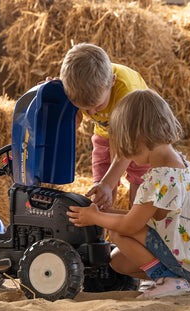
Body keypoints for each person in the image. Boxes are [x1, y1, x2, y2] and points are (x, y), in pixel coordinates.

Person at [67, 89, 190, 299]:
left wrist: (95, 217)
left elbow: (130, 226)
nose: (126, 157)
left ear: (137, 140)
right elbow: (149, 218)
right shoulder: (180, 165)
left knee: (119, 234)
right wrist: (108, 212)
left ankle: (169, 280)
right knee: (118, 261)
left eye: (125, 149)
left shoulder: (158, 179)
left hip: (187, 261)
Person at [60, 43, 149, 209]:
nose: (92, 113)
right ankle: (103, 231)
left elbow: (128, 148)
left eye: (98, 106)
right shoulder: (76, 87)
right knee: (100, 190)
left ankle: (136, 227)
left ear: (112, 82)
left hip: (139, 136)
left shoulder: (127, 92)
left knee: (140, 184)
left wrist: (109, 183)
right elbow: (74, 120)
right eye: (85, 108)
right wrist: (55, 95)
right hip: (105, 134)